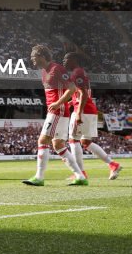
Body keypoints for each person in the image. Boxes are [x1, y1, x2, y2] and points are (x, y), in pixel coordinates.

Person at [48, 52, 121, 181]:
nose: (64, 61)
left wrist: (78, 113)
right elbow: (81, 94)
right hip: (89, 110)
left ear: (74, 59)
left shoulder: (77, 72)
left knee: (73, 141)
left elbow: (83, 95)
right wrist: (70, 102)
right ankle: (113, 164)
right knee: (85, 142)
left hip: (83, 111)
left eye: (66, 58)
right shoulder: (80, 72)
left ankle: (81, 173)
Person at [23, 45, 86, 186]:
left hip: (57, 111)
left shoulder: (57, 69)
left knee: (42, 141)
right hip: (56, 111)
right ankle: (80, 176)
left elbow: (72, 88)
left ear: (42, 56)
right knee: (58, 145)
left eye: (34, 57)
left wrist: (58, 103)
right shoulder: (44, 72)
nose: (32, 60)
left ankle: (39, 177)